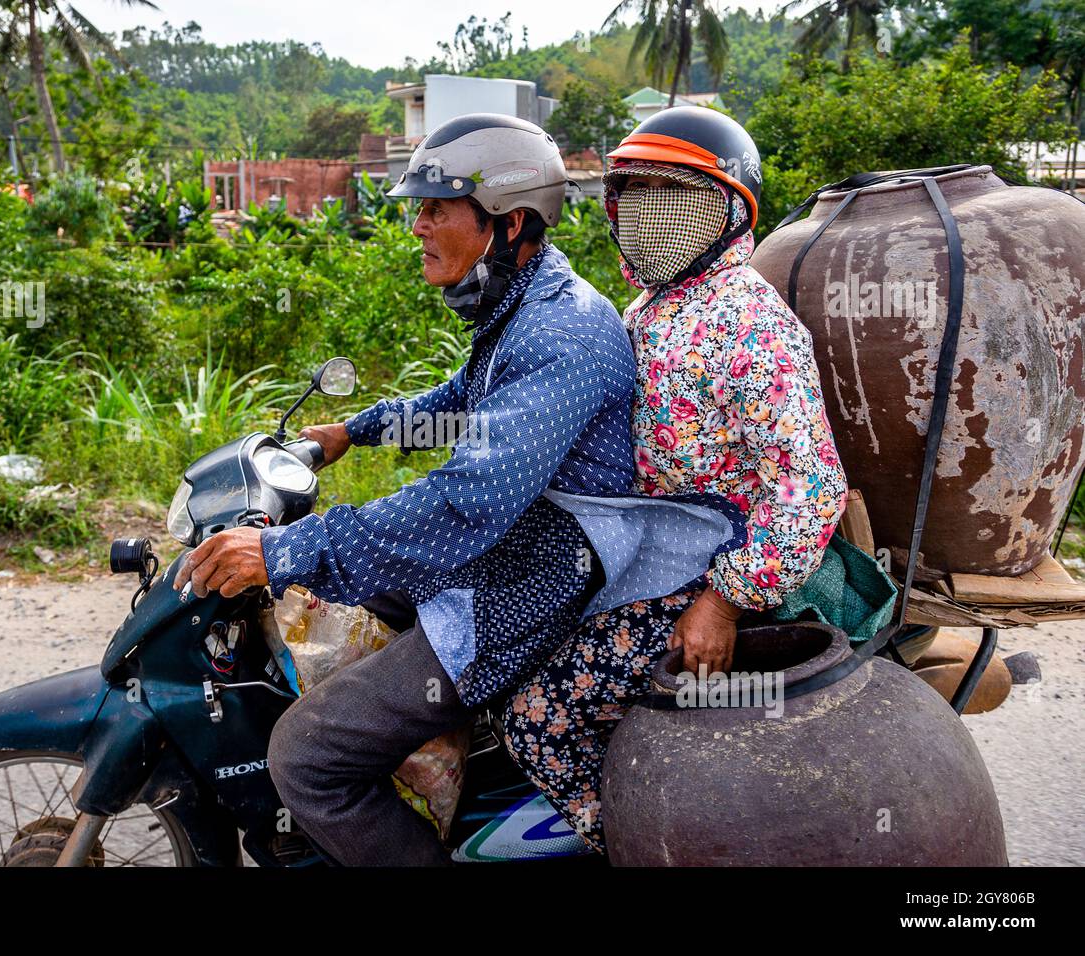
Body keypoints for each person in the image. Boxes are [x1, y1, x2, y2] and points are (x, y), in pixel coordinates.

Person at [172, 114, 653, 866]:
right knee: (334, 604)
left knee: (305, 757)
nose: (418, 227)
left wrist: (285, 548)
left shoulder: (560, 334)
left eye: (436, 209)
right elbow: (460, 402)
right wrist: (353, 432)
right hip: (511, 550)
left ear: (510, 220)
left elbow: (466, 502)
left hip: (534, 584)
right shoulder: (523, 303)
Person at [500, 106, 850, 854]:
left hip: (703, 576)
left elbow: (809, 487)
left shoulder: (754, 325)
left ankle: (629, 845)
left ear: (729, 210)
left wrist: (724, 602)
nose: (648, 210)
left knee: (535, 719)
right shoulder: (655, 306)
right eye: (635, 190)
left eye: (675, 191)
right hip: (641, 558)